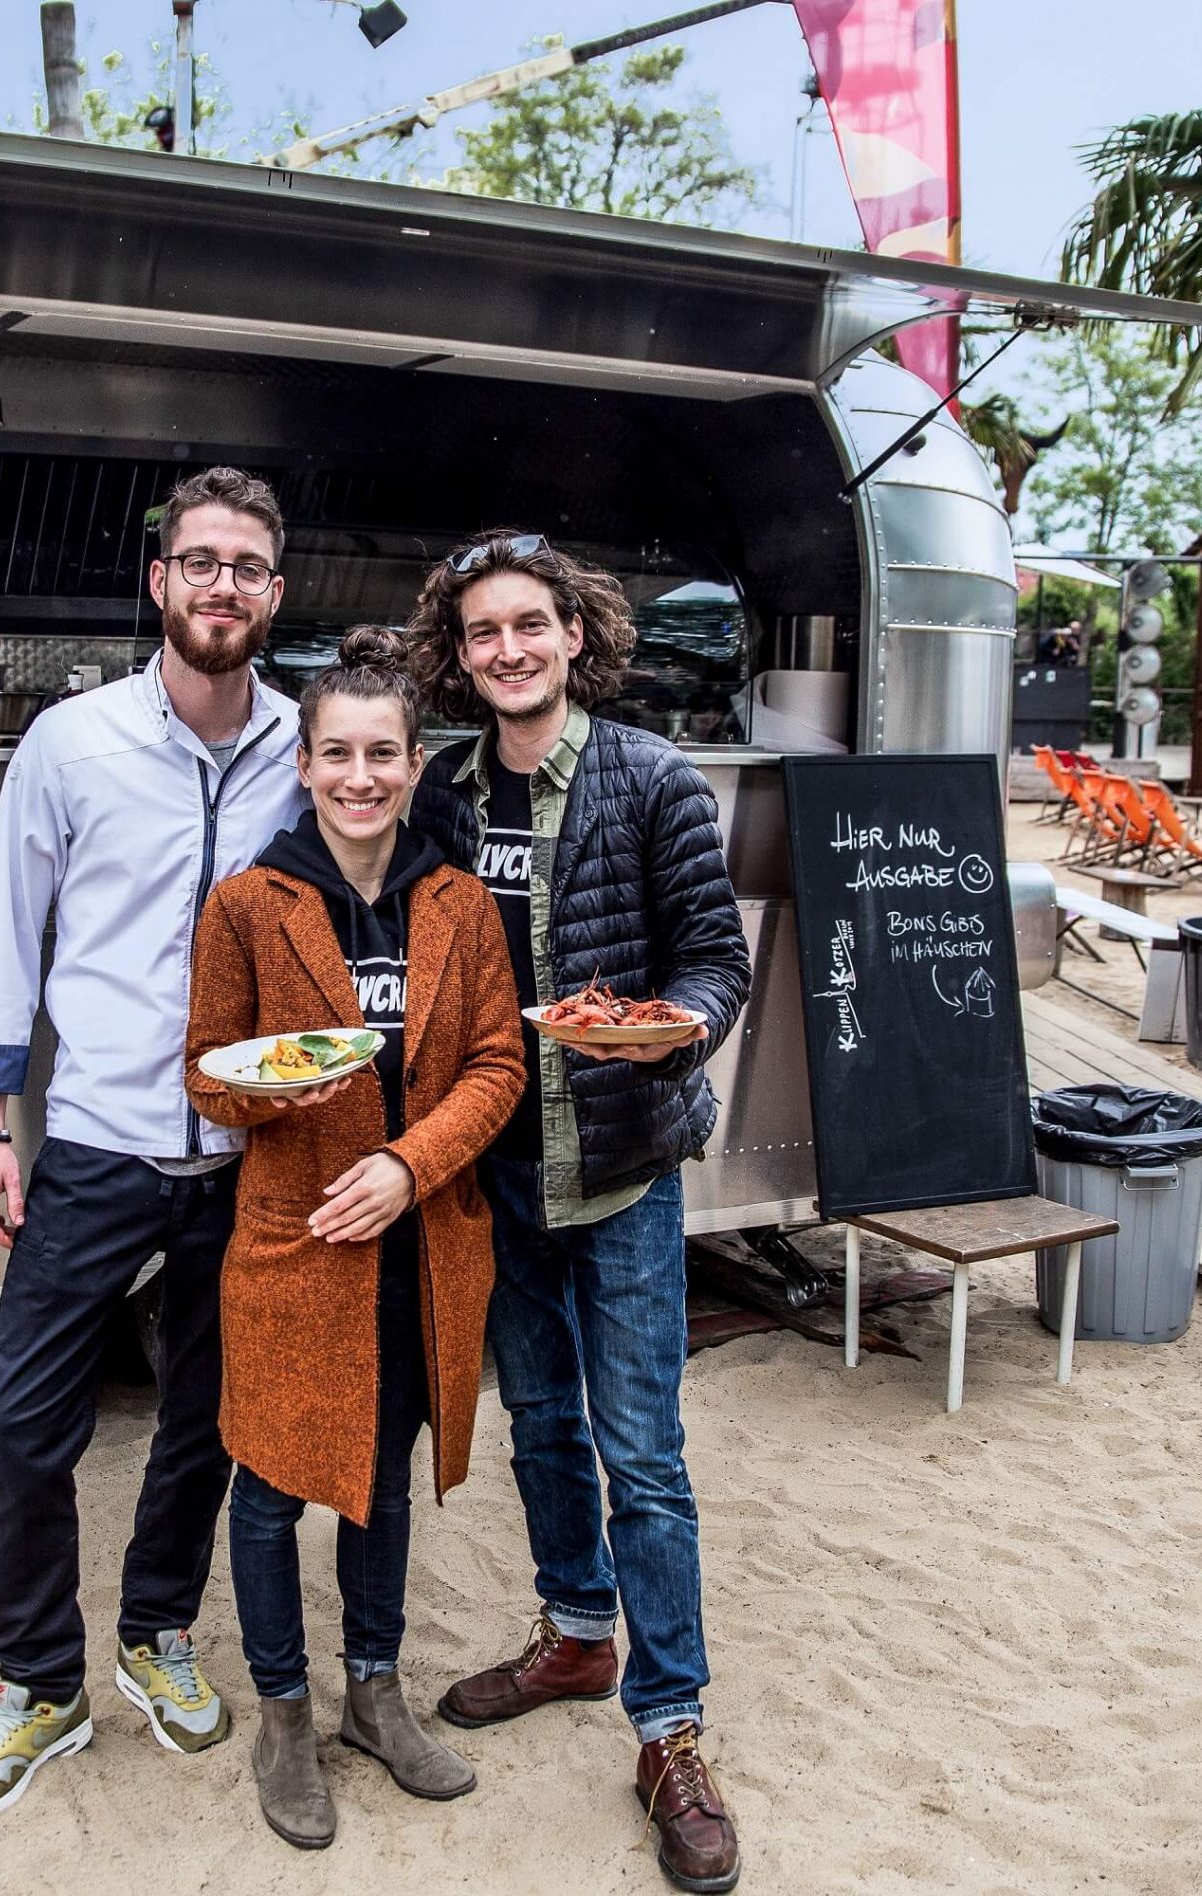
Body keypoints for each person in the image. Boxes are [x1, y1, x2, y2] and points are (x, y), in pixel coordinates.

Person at [0, 466, 306, 1822]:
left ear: (276, 592)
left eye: (247, 567)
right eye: (198, 561)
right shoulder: (71, 741)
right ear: (159, 583)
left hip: (248, 1154)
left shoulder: (304, 748)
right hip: (96, 1139)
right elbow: (8, 932)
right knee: (21, 1418)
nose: (221, 587)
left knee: (205, 1416)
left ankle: (156, 1634)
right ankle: (39, 1685)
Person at [402, 531, 753, 1895]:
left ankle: (669, 1732)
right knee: (542, 1423)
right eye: (483, 631)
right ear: (461, 651)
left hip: (620, 1169)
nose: (508, 648)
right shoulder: (443, 790)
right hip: (501, 1176)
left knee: (645, 1452)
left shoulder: (651, 777)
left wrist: (671, 1033)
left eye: (529, 625)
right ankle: (575, 1629)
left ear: (574, 633)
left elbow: (714, 960)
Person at [183, 627, 526, 1851]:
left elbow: (497, 1067)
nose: (361, 777)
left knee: (381, 1483)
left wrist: (405, 1164)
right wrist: (274, 1090)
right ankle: (286, 1715)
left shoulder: (459, 905)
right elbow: (208, 1075)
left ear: (417, 763)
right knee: (273, 1490)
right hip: (291, 1241)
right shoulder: (250, 906)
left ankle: (373, 1694)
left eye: (383, 753)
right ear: (305, 764)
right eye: (338, 754)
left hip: (416, 1243)